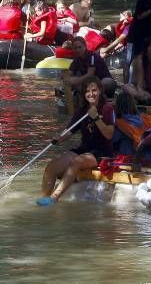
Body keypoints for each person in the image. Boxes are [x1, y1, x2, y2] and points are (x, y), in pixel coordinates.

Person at [37, 77, 115, 206]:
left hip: (101, 152)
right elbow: (69, 131)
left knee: (77, 162)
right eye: (87, 91)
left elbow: (109, 134)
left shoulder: (107, 109)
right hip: (84, 149)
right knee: (52, 166)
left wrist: (96, 117)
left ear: (100, 91)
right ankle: (44, 198)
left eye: (94, 90)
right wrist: (60, 138)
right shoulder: (82, 110)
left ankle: (54, 198)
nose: (91, 94)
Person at [111, 92, 151, 156]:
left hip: (130, 155)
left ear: (117, 105)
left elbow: (114, 139)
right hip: (150, 152)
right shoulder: (147, 118)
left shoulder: (119, 121)